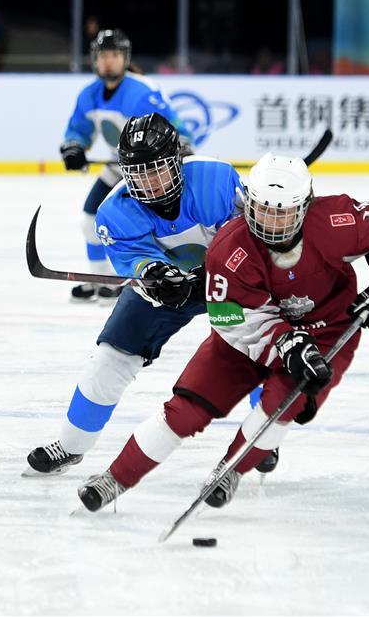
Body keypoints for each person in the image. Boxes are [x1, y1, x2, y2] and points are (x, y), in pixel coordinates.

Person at [75, 152, 369, 512]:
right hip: (249, 338)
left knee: (281, 405)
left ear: (304, 206)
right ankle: (115, 478)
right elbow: (232, 320)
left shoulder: (335, 220)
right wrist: (284, 343)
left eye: (282, 212)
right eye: (263, 209)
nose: (271, 222)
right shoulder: (227, 247)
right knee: (186, 408)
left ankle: (230, 470)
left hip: (325, 332)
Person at [26, 113, 275, 475]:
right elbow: (136, 261)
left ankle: (259, 439)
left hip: (228, 284)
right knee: (111, 357)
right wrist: (153, 274)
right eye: (137, 172)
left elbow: (247, 242)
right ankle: (71, 443)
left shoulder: (215, 180)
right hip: (167, 292)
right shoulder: (114, 211)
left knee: (256, 344)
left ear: (177, 162)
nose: (148, 182)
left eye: (156, 169)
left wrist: (208, 274)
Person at [60, 28, 193, 303]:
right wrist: (74, 147)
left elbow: (176, 129)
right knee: (89, 220)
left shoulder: (142, 92)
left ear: (125, 58)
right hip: (119, 170)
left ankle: (134, 276)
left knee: (146, 228)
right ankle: (100, 278)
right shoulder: (89, 95)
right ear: (95, 60)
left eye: (115, 55)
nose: (109, 61)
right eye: (104, 55)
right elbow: (79, 130)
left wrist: (181, 147)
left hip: (150, 173)